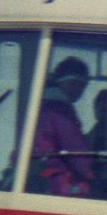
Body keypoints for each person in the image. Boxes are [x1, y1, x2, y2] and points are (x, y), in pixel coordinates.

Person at [31, 57, 92, 196]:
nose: (80, 91)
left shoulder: (41, 105)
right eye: (78, 85)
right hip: (56, 183)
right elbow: (77, 153)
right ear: (70, 83)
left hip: (44, 177)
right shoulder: (60, 111)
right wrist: (89, 176)